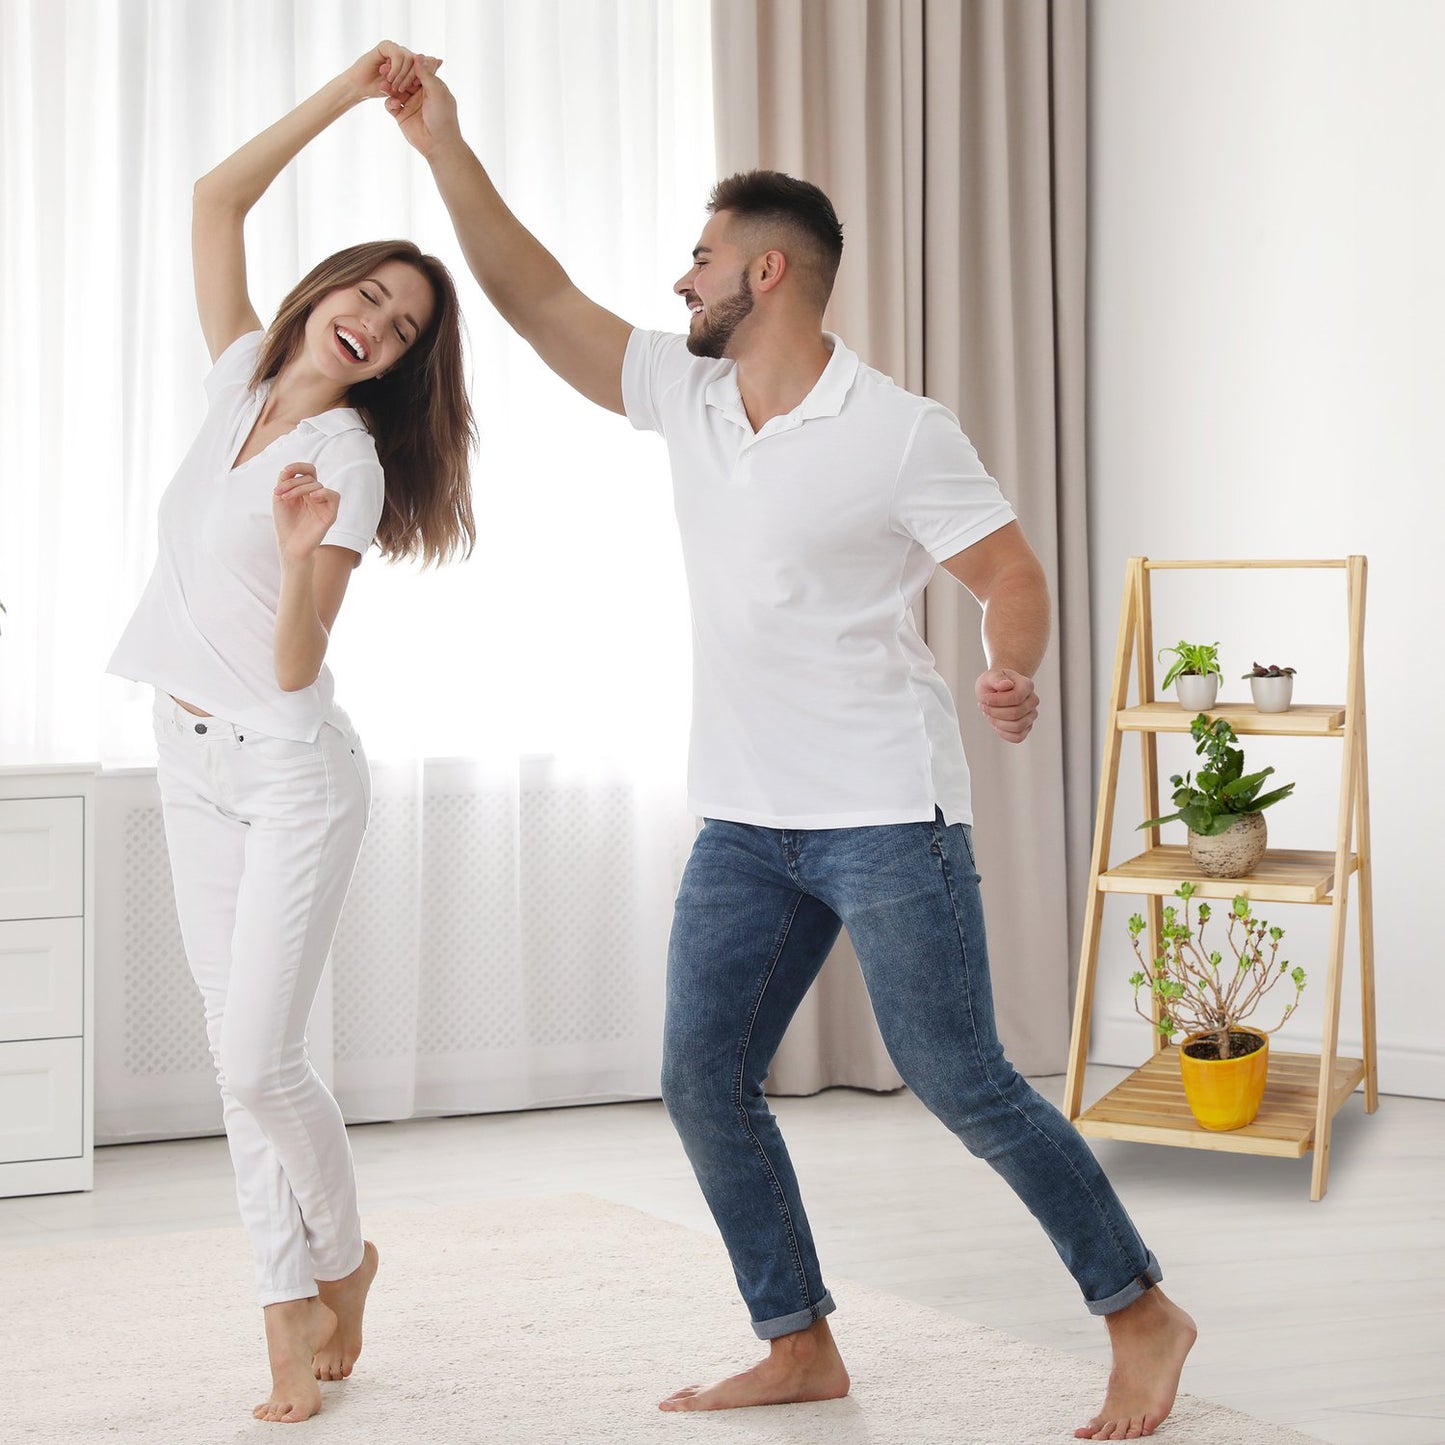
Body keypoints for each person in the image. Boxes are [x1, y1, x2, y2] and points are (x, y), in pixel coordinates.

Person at [391, 62, 1195, 1443]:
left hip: (886, 810)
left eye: (699, 257)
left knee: (961, 1078)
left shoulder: (895, 430)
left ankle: (1138, 1310)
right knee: (701, 1072)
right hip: (744, 819)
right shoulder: (687, 397)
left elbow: (1009, 568)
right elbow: (530, 298)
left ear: (765, 273)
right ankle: (797, 1337)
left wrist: (1013, 665)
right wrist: (442, 145)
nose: (677, 278)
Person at [107, 43, 475, 1425]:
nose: (372, 319)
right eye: (366, 290)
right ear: (326, 293)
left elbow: (297, 663)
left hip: (292, 775)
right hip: (188, 757)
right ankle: (297, 1303)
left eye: (400, 322)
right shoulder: (232, 386)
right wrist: (345, 94)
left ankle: (340, 1260)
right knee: (235, 1056)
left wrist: (306, 546)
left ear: (399, 365)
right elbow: (214, 201)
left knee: (257, 1059)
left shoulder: (353, 467)